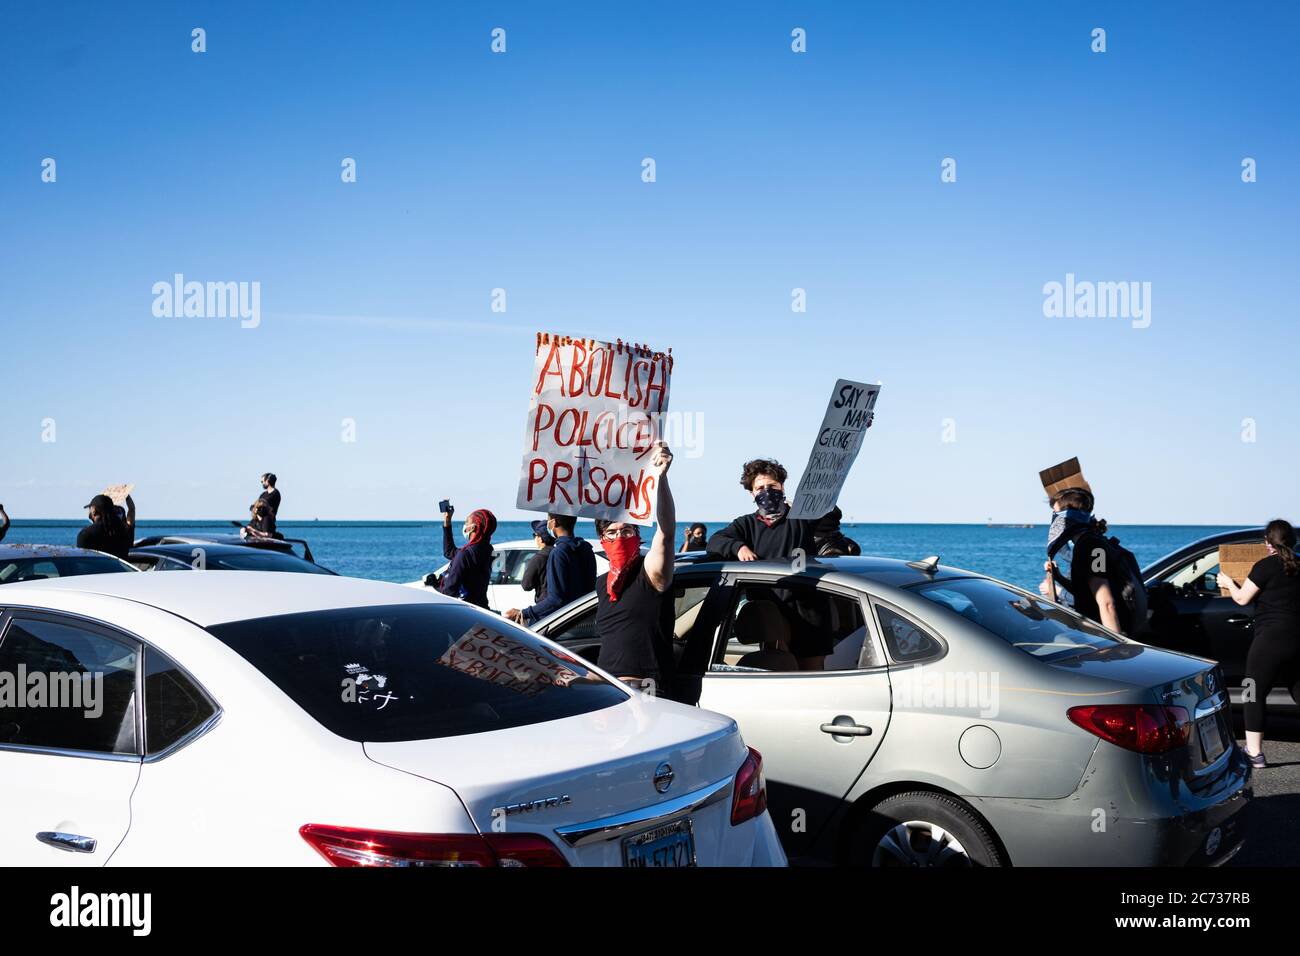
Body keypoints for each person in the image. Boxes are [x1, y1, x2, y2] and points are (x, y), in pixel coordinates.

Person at [591, 441, 679, 698]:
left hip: (646, 691)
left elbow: (667, 532)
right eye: (612, 532)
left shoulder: (650, 573)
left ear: (638, 535)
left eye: (627, 530)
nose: (620, 536)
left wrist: (661, 478)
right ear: (602, 540)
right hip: (606, 689)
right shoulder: (602, 584)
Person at [1217, 519, 1300, 769]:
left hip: (1270, 641)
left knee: (1252, 691)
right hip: (1297, 639)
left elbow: (1242, 599)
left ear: (1267, 543)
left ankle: (1254, 753)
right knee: (1298, 690)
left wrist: (1228, 583)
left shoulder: (1265, 566)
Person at [706, 458, 846, 564]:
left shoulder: (802, 517)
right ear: (752, 494)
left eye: (772, 486)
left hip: (803, 596)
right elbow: (715, 541)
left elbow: (830, 513)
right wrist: (739, 547)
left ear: (782, 487)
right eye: (760, 488)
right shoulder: (746, 524)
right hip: (764, 599)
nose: (767, 491)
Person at [1039, 489, 1124, 633]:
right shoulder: (1086, 544)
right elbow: (1087, 593)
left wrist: (1115, 646)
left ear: (1070, 516)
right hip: (1091, 632)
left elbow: (1106, 602)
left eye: (1056, 514)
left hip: (1100, 635)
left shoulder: (1092, 547)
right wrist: (1058, 576)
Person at [506, 513, 597, 627]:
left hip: (564, 624)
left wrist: (523, 613)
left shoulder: (559, 552)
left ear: (553, 523)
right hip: (586, 619)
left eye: (548, 520)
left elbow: (555, 599)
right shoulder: (585, 547)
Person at [433, 503, 495, 609]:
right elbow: (449, 552)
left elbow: (449, 591)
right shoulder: (488, 550)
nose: (465, 525)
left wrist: (438, 586)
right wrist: (447, 521)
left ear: (474, 528)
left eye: (467, 522)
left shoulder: (465, 554)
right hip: (482, 608)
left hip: (467, 610)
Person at [77, 493, 135, 560]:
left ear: (94, 510)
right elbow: (132, 510)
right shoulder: (124, 530)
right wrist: (126, 494)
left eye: (90, 508)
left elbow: (81, 562)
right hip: (122, 569)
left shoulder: (86, 534)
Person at [521, 519, 555, 604]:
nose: (534, 538)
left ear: (541, 539)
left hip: (544, 603)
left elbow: (526, 585)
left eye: (534, 535)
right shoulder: (559, 553)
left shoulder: (538, 558)